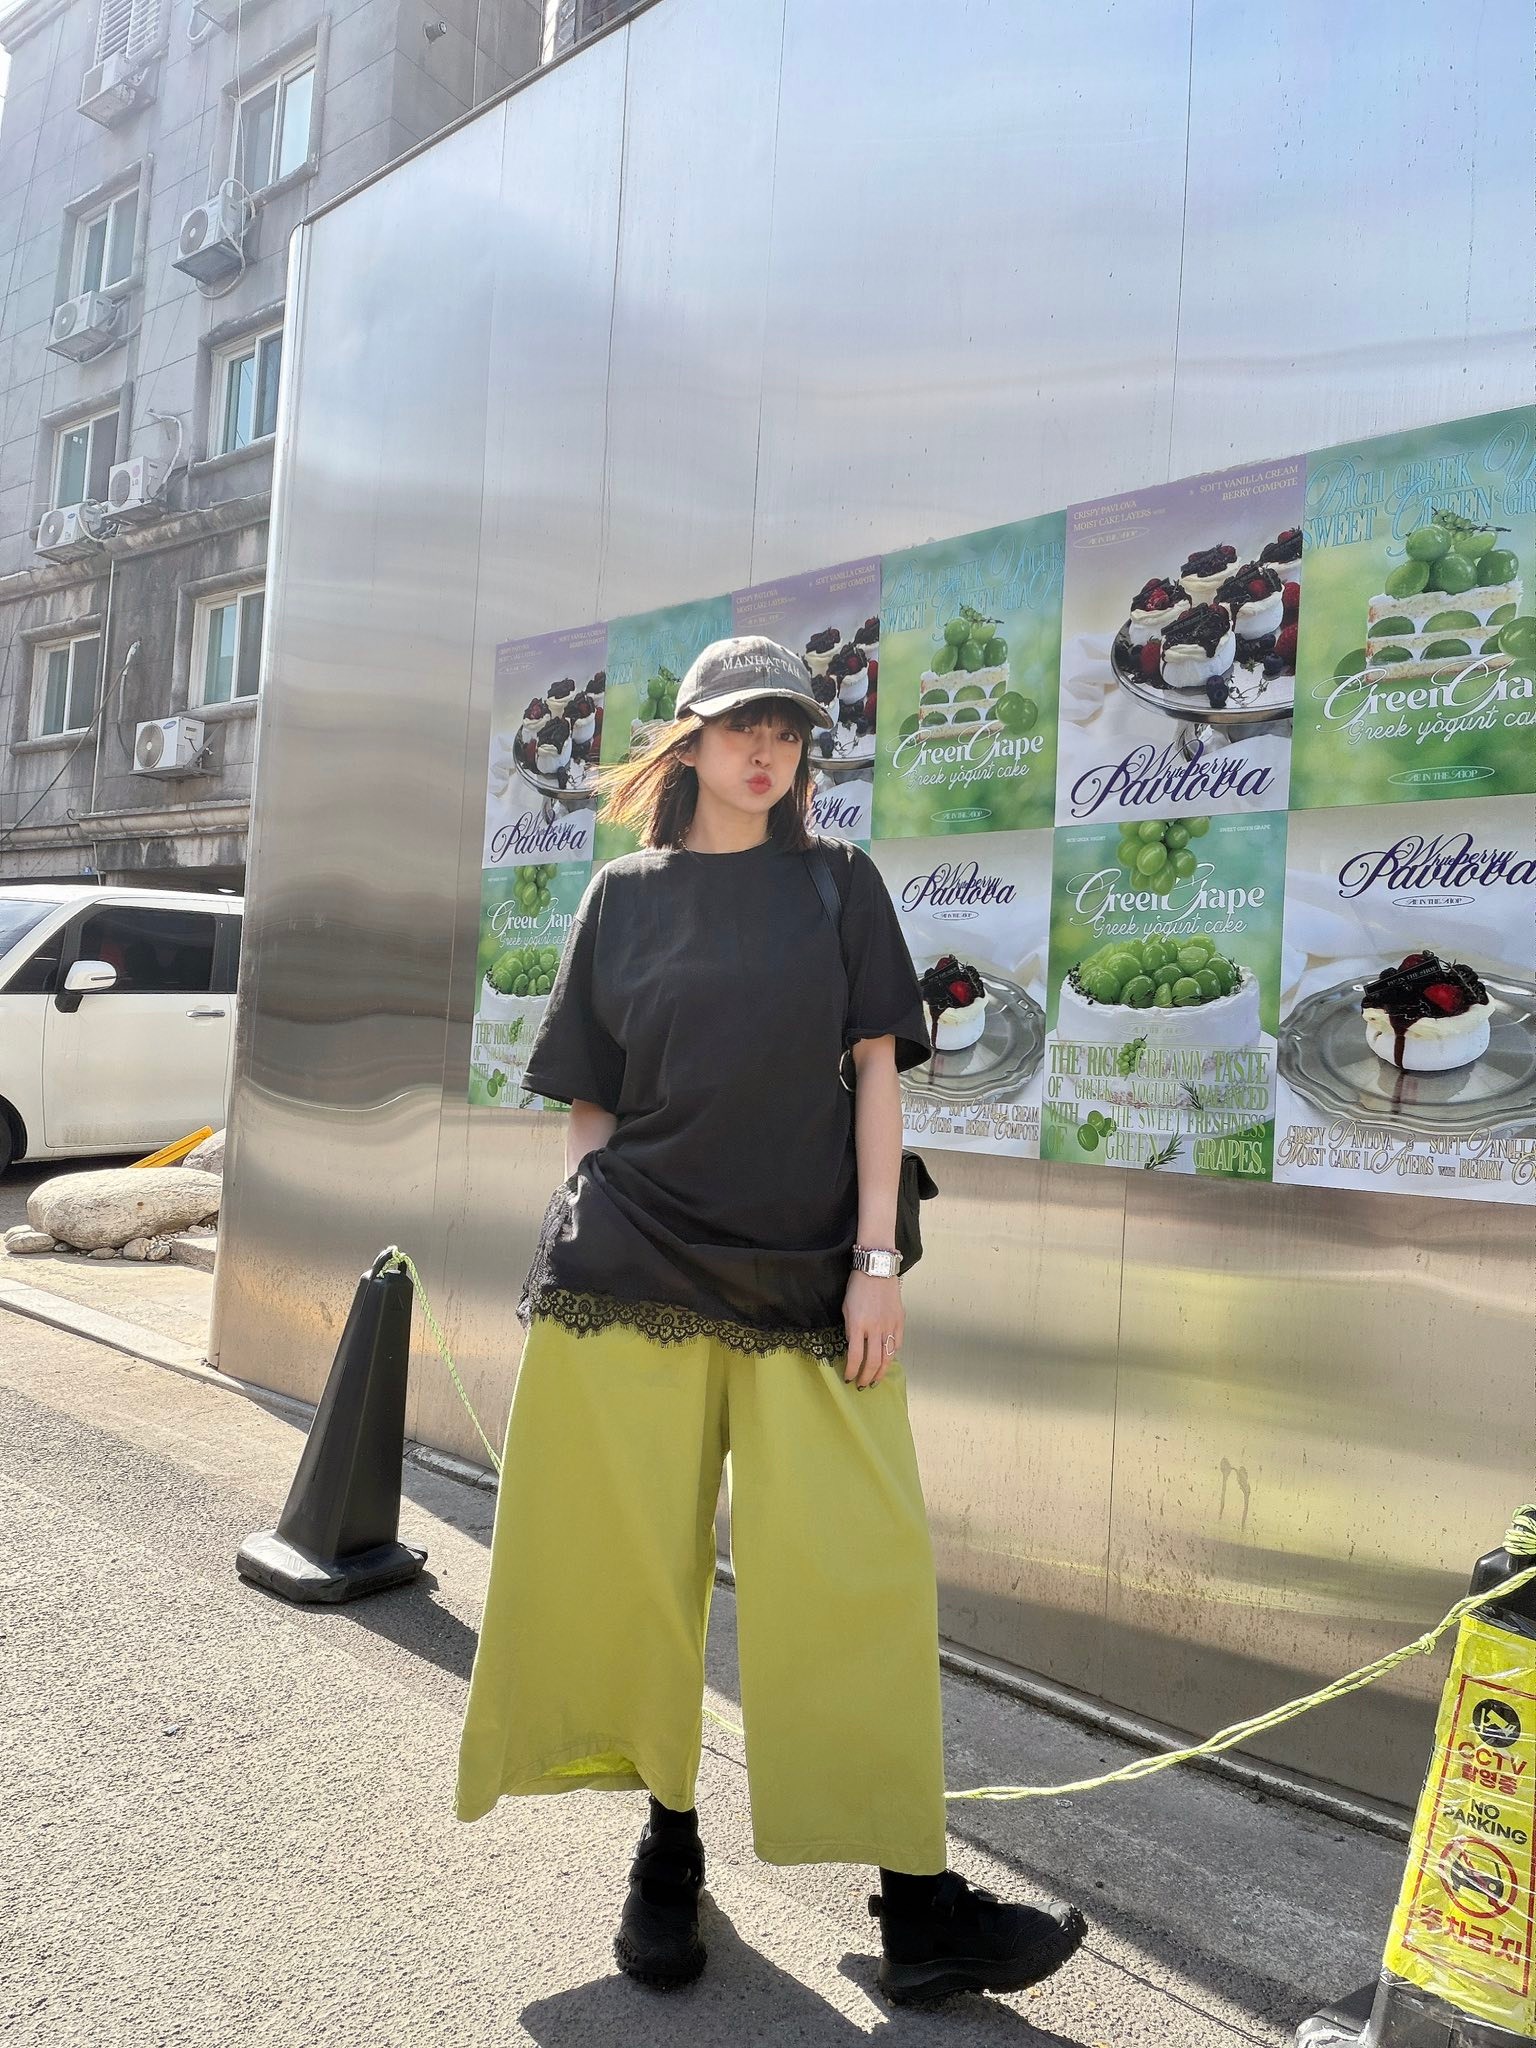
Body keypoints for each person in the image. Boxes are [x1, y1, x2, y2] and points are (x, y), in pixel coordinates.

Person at [456, 635, 1086, 2004]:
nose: (767, 753)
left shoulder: (838, 884)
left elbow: (878, 1077)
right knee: (634, 1575)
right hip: (631, 1275)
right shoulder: (622, 897)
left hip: (811, 1278)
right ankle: (666, 1856)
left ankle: (916, 1904)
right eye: (743, 727)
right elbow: (593, 1100)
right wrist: (580, 1230)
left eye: (790, 733)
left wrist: (878, 1262)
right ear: (686, 742)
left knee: (862, 1574)